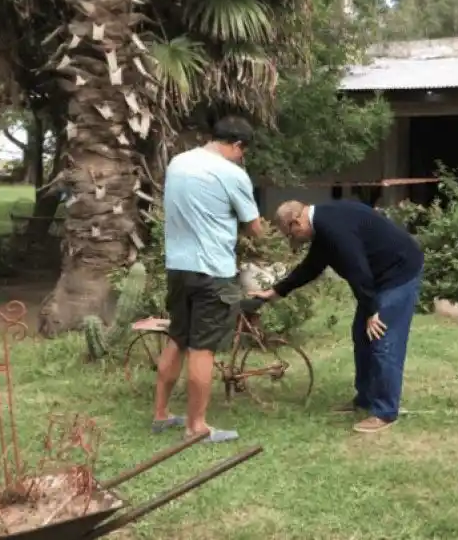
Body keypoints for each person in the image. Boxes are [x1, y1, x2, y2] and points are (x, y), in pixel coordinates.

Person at [250, 200, 424, 434]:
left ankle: (385, 412)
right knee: (362, 335)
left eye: (290, 234)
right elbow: (311, 266)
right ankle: (365, 398)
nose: (293, 240)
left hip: (398, 274)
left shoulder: (331, 228)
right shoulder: (323, 226)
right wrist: (277, 291)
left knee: (383, 340)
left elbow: (357, 268)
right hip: (378, 279)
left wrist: (372, 311)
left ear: (296, 222)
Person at [152, 115, 262, 443]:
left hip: (178, 267)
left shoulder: (178, 162)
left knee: (177, 338)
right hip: (212, 272)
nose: (242, 158)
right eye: (243, 152)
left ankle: (160, 414)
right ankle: (196, 427)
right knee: (203, 349)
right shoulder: (232, 173)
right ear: (237, 145)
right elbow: (255, 228)